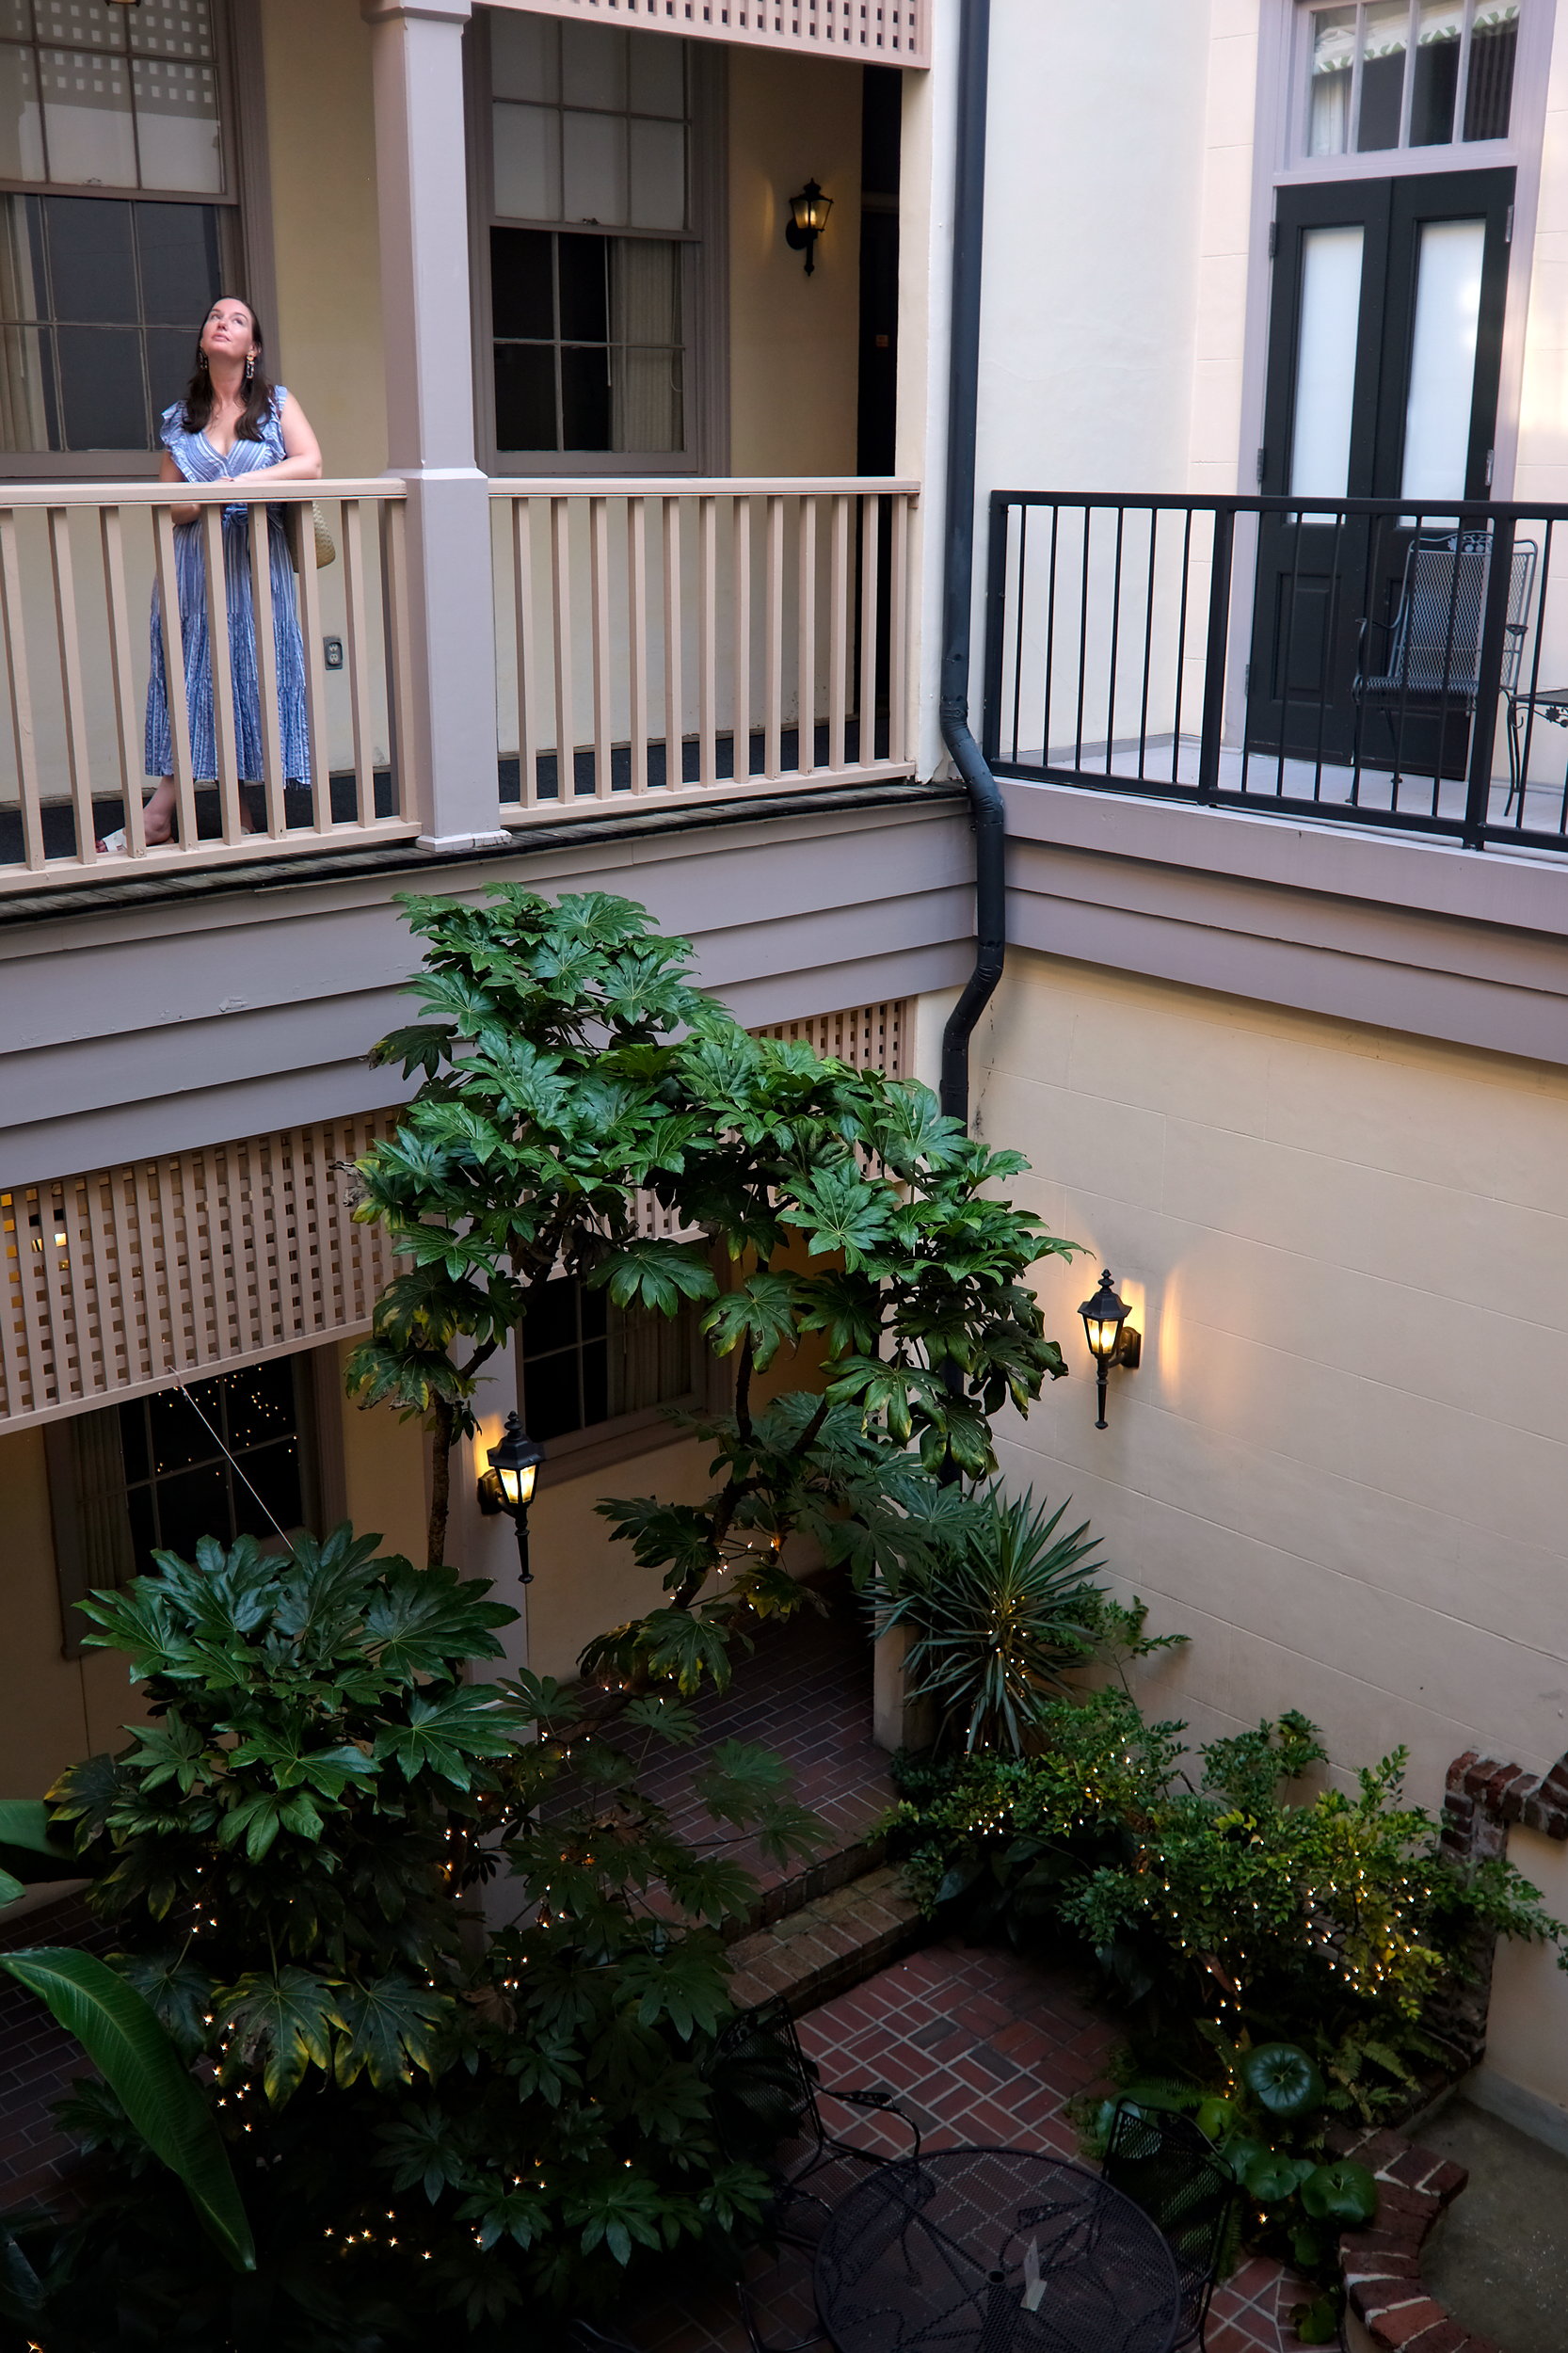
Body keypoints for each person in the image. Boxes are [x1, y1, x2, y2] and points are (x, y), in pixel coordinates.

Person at [128, 297, 322, 847]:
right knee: (197, 672)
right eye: (215, 316)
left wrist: (238, 488)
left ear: (252, 348)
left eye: (237, 320)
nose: (223, 323)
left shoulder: (276, 404)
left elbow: (310, 463)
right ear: (203, 339)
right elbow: (172, 507)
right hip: (194, 566)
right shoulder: (180, 417)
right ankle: (216, 813)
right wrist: (209, 499)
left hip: (255, 562)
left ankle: (198, 809)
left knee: (246, 669)